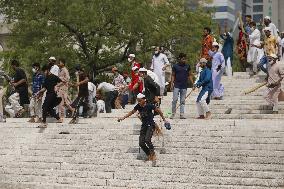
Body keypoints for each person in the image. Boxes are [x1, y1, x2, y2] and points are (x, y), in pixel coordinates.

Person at [117, 93, 168, 161]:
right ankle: (149, 154)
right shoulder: (138, 106)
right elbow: (132, 112)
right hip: (144, 126)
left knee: (147, 140)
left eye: (140, 101)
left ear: (144, 100)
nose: (139, 102)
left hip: (150, 125)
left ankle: (153, 153)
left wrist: (164, 120)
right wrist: (123, 117)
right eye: (138, 101)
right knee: (141, 143)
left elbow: (159, 111)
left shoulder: (150, 105)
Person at [170, 53, 193, 119]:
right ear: (179, 59)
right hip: (176, 85)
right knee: (174, 100)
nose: (184, 60)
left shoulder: (187, 66)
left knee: (182, 101)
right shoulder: (175, 66)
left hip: (184, 86)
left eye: (185, 59)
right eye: (183, 59)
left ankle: (182, 114)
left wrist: (192, 83)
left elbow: (190, 75)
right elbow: (173, 75)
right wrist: (171, 84)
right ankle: (173, 113)